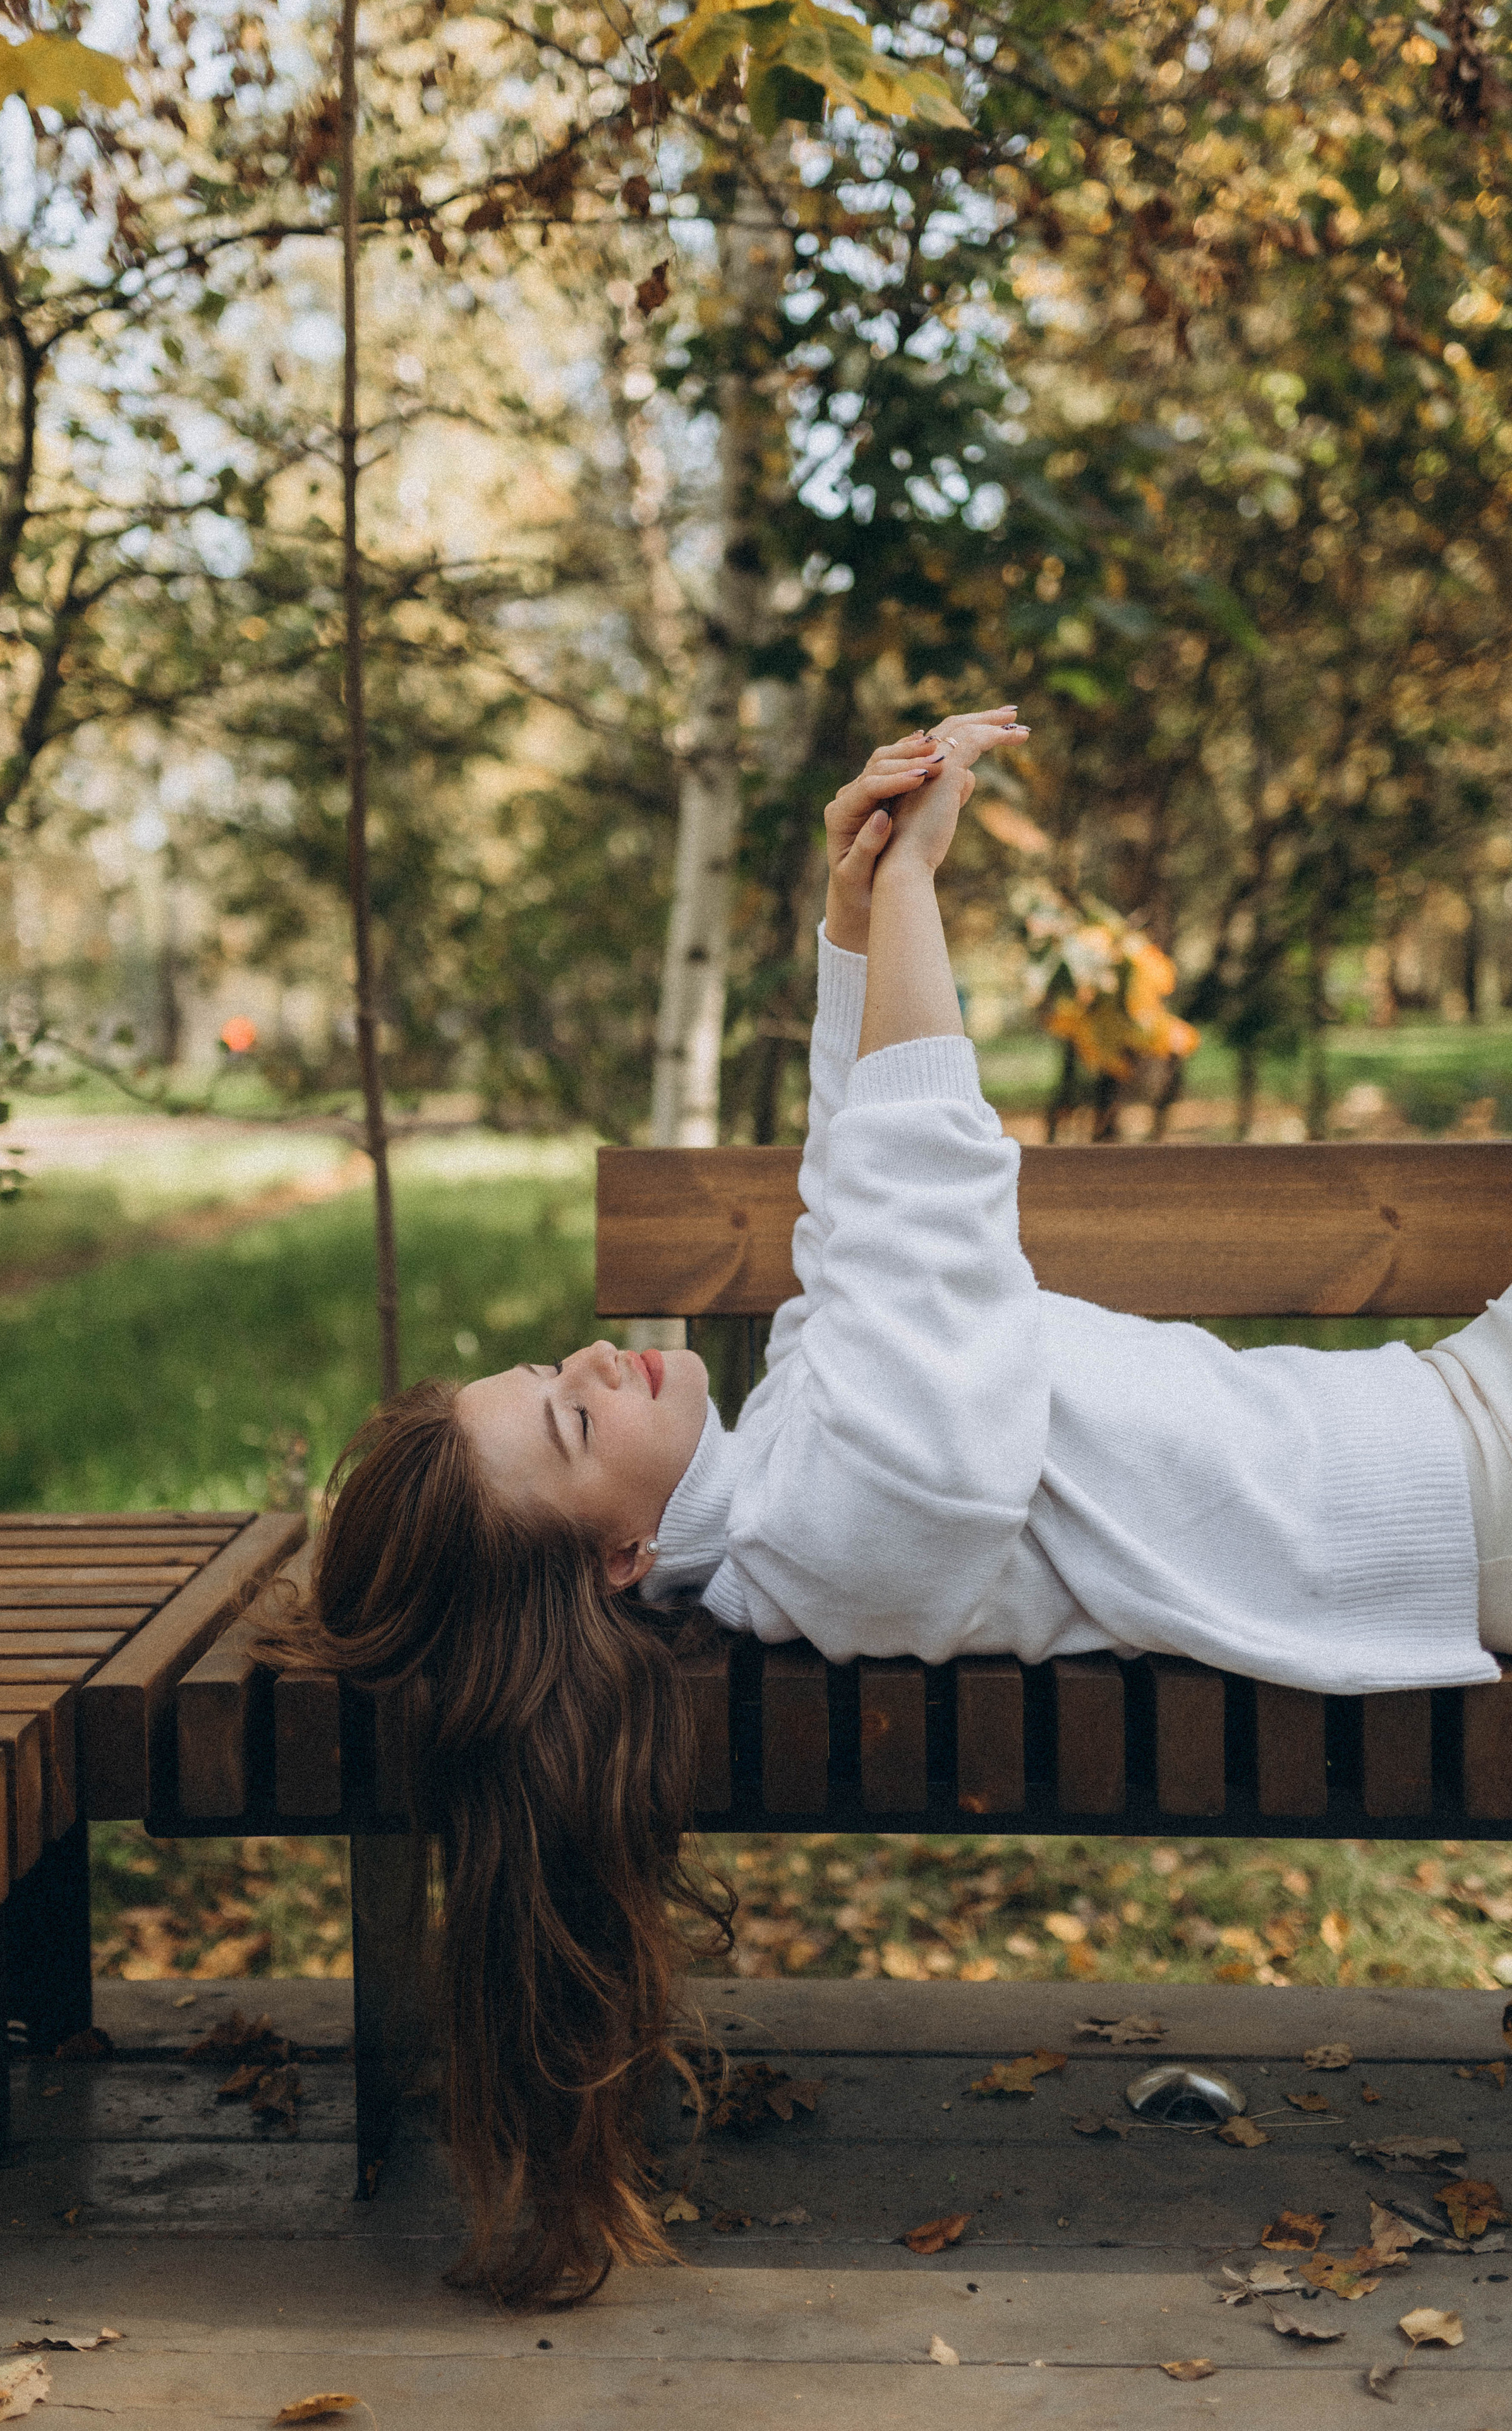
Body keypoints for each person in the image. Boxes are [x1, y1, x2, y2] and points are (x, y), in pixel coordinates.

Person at [264, 706, 1512, 2307]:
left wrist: (851, 919)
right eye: (569, 1418)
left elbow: (862, 1213)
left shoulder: (791, 1465)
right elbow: (922, 1211)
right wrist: (915, 890)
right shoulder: (838, 1529)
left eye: (540, 1368)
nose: (589, 1355)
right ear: (622, 1556)